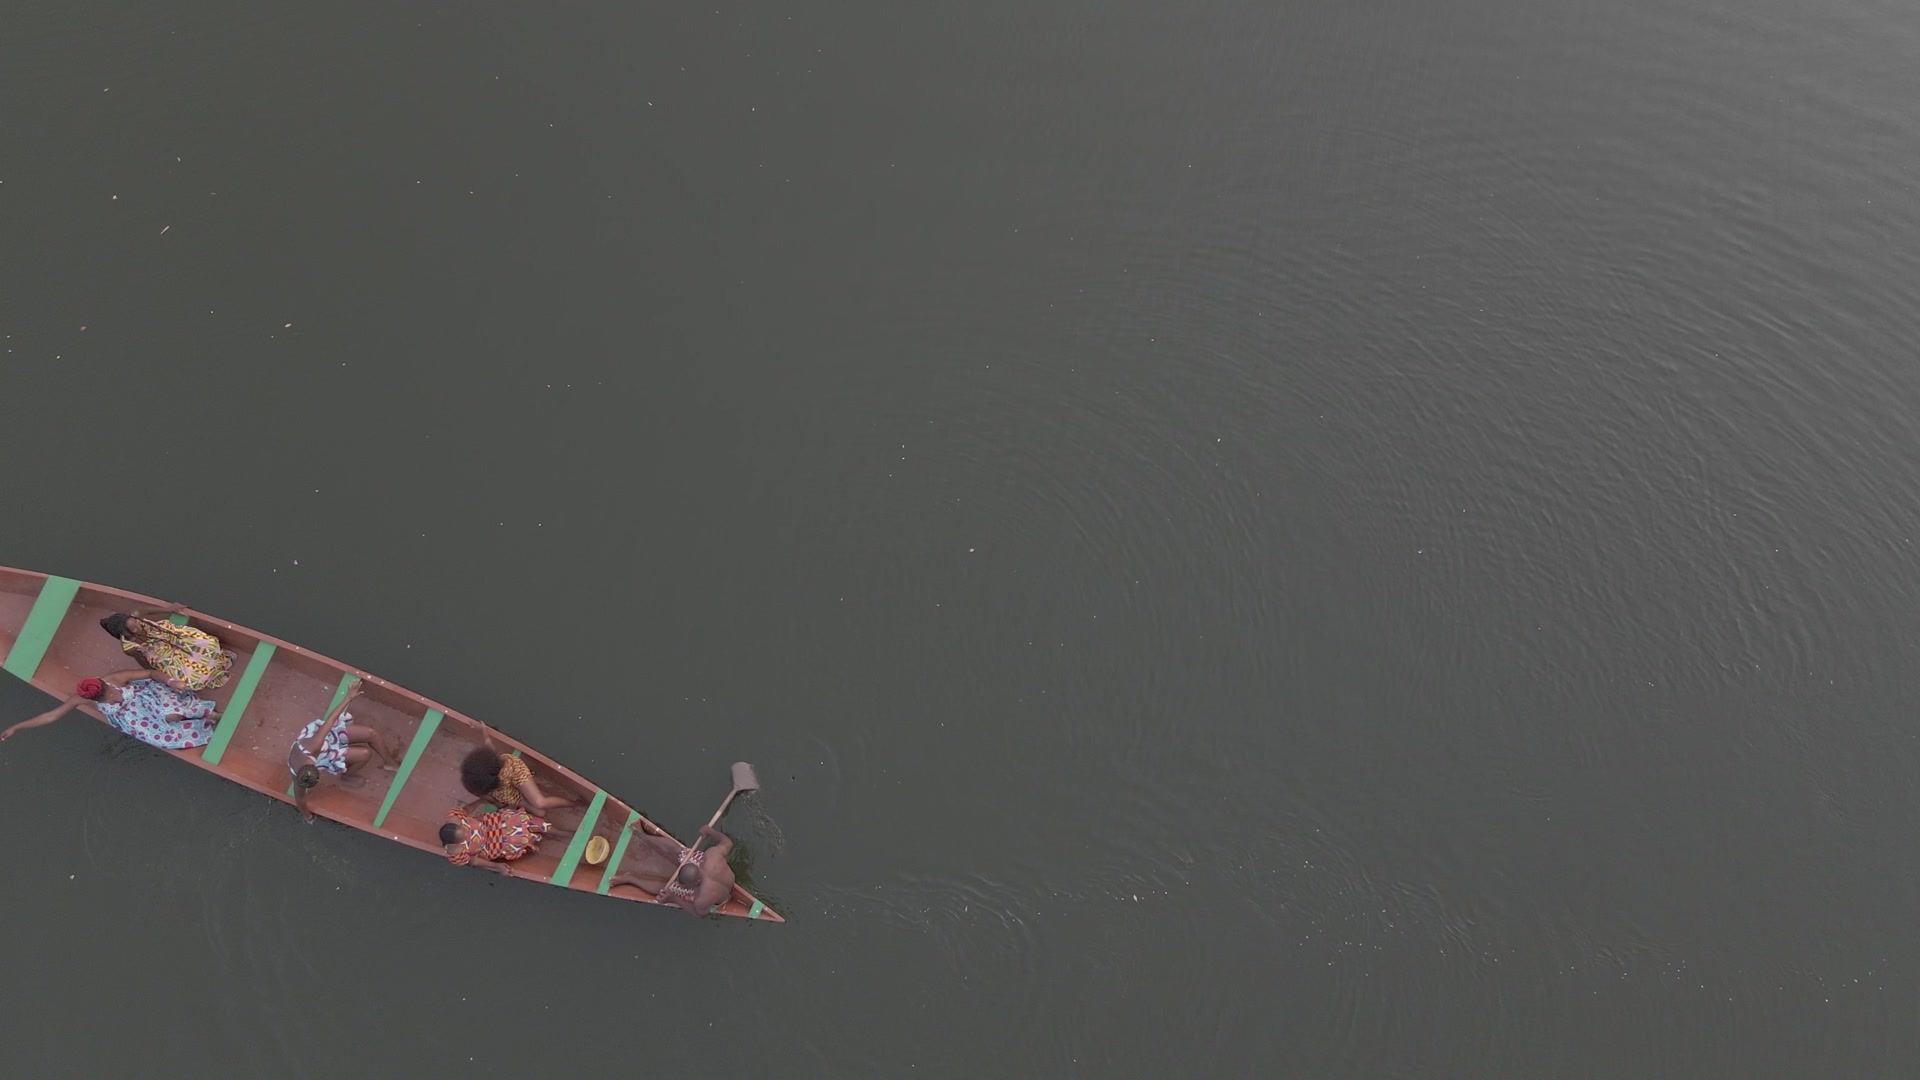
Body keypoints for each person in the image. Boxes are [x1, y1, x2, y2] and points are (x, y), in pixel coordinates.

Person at [0, 672, 220, 750]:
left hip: (147, 699)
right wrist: (17, 727)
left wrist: (171, 682)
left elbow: (149, 673)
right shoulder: (81, 699)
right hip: (133, 718)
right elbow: (51, 715)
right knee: (161, 736)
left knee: (172, 713)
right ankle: (204, 728)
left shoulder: (114, 679)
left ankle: (209, 715)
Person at [287, 683, 396, 822]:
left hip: (326, 741)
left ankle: (389, 763)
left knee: (371, 734)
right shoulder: (299, 780)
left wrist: (348, 698)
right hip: (324, 754)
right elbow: (300, 800)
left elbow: (331, 720)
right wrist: (308, 816)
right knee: (365, 754)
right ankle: (346, 776)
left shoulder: (314, 744)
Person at [607, 821, 737, 916]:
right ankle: (643, 836)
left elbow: (700, 914)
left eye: (687, 886)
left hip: (719, 896)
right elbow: (727, 843)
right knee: (679, 851)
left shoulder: (702, 899)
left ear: (697, 882)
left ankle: (630, 878)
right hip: (722, 877)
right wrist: (711, 832)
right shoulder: (712, 856)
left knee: (668, 888)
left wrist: (673, 898)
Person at [100, 606, 236, 691]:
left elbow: (147, 610)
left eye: (136, 623)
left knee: (209, 643)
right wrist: (158, 675)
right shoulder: (130, 648)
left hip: (170, 636)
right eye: (134, 628)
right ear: (125, 634)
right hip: (164, 657)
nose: (139, 626)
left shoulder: (136, 615)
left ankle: (217, 663)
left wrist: (171, 608)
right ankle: (211, 672)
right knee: (192, 680)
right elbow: (143, 662)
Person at [458, 726, 582, 816]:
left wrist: (484, 731)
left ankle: (574, 804)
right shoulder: (484, 785)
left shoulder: (506, 766)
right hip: (507, 790)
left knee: (540, 803)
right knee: (540, 813)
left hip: (516, 772)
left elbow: (489, 746)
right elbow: (489, 746)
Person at [440, 805, 553, 874]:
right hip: (487, 845)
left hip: (486, 824)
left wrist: (482, 800)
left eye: (463, 828)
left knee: (515, 819)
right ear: (457, 843)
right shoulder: (456, 854)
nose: (467, 832)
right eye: (464, 836)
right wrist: (497, 866)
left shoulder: (454, 816)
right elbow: (474, 861)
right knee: (514, 839)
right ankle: (530, 842)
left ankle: (543, 828)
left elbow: (467, 809)